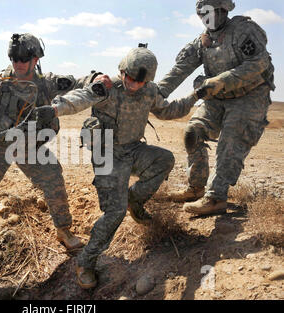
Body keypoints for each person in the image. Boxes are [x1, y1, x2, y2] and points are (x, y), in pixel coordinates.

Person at [36, 46, 202, 289]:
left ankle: (134, 199)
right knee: (114, 213)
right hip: (107, 155)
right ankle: (86, 261)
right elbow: (80, 98)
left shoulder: (150, 91)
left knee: (164, 159)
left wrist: (195, 96)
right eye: (129, 78)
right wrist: (55, 109)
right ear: (122, 71)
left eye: (139, 81)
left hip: (133, 150)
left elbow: (168, 111)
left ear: (148, 80)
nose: (132, 84)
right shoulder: (107, 87)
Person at [0, 33, 104, 257]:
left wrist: (97, 77)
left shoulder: (46, 84)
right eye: (14, 59)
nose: (18, 64)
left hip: (30, 149)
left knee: (53, 179)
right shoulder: (0, 85)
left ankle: (63, 231)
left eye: (23, 59)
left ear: (36, 59)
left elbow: (78, 81)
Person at [157, 0, 275, 215]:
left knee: (229, 144)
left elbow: (259, 63)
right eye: (201, 13)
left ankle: (215, 198)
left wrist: (222, 80)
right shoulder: (201, 42)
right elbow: (179, 70)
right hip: (217, 98)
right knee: (193, 132)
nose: (205, 18)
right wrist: (156, 94)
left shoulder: (243, 31)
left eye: (209, 12)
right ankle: (196, 188)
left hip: (249, 97)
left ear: (223, 11)